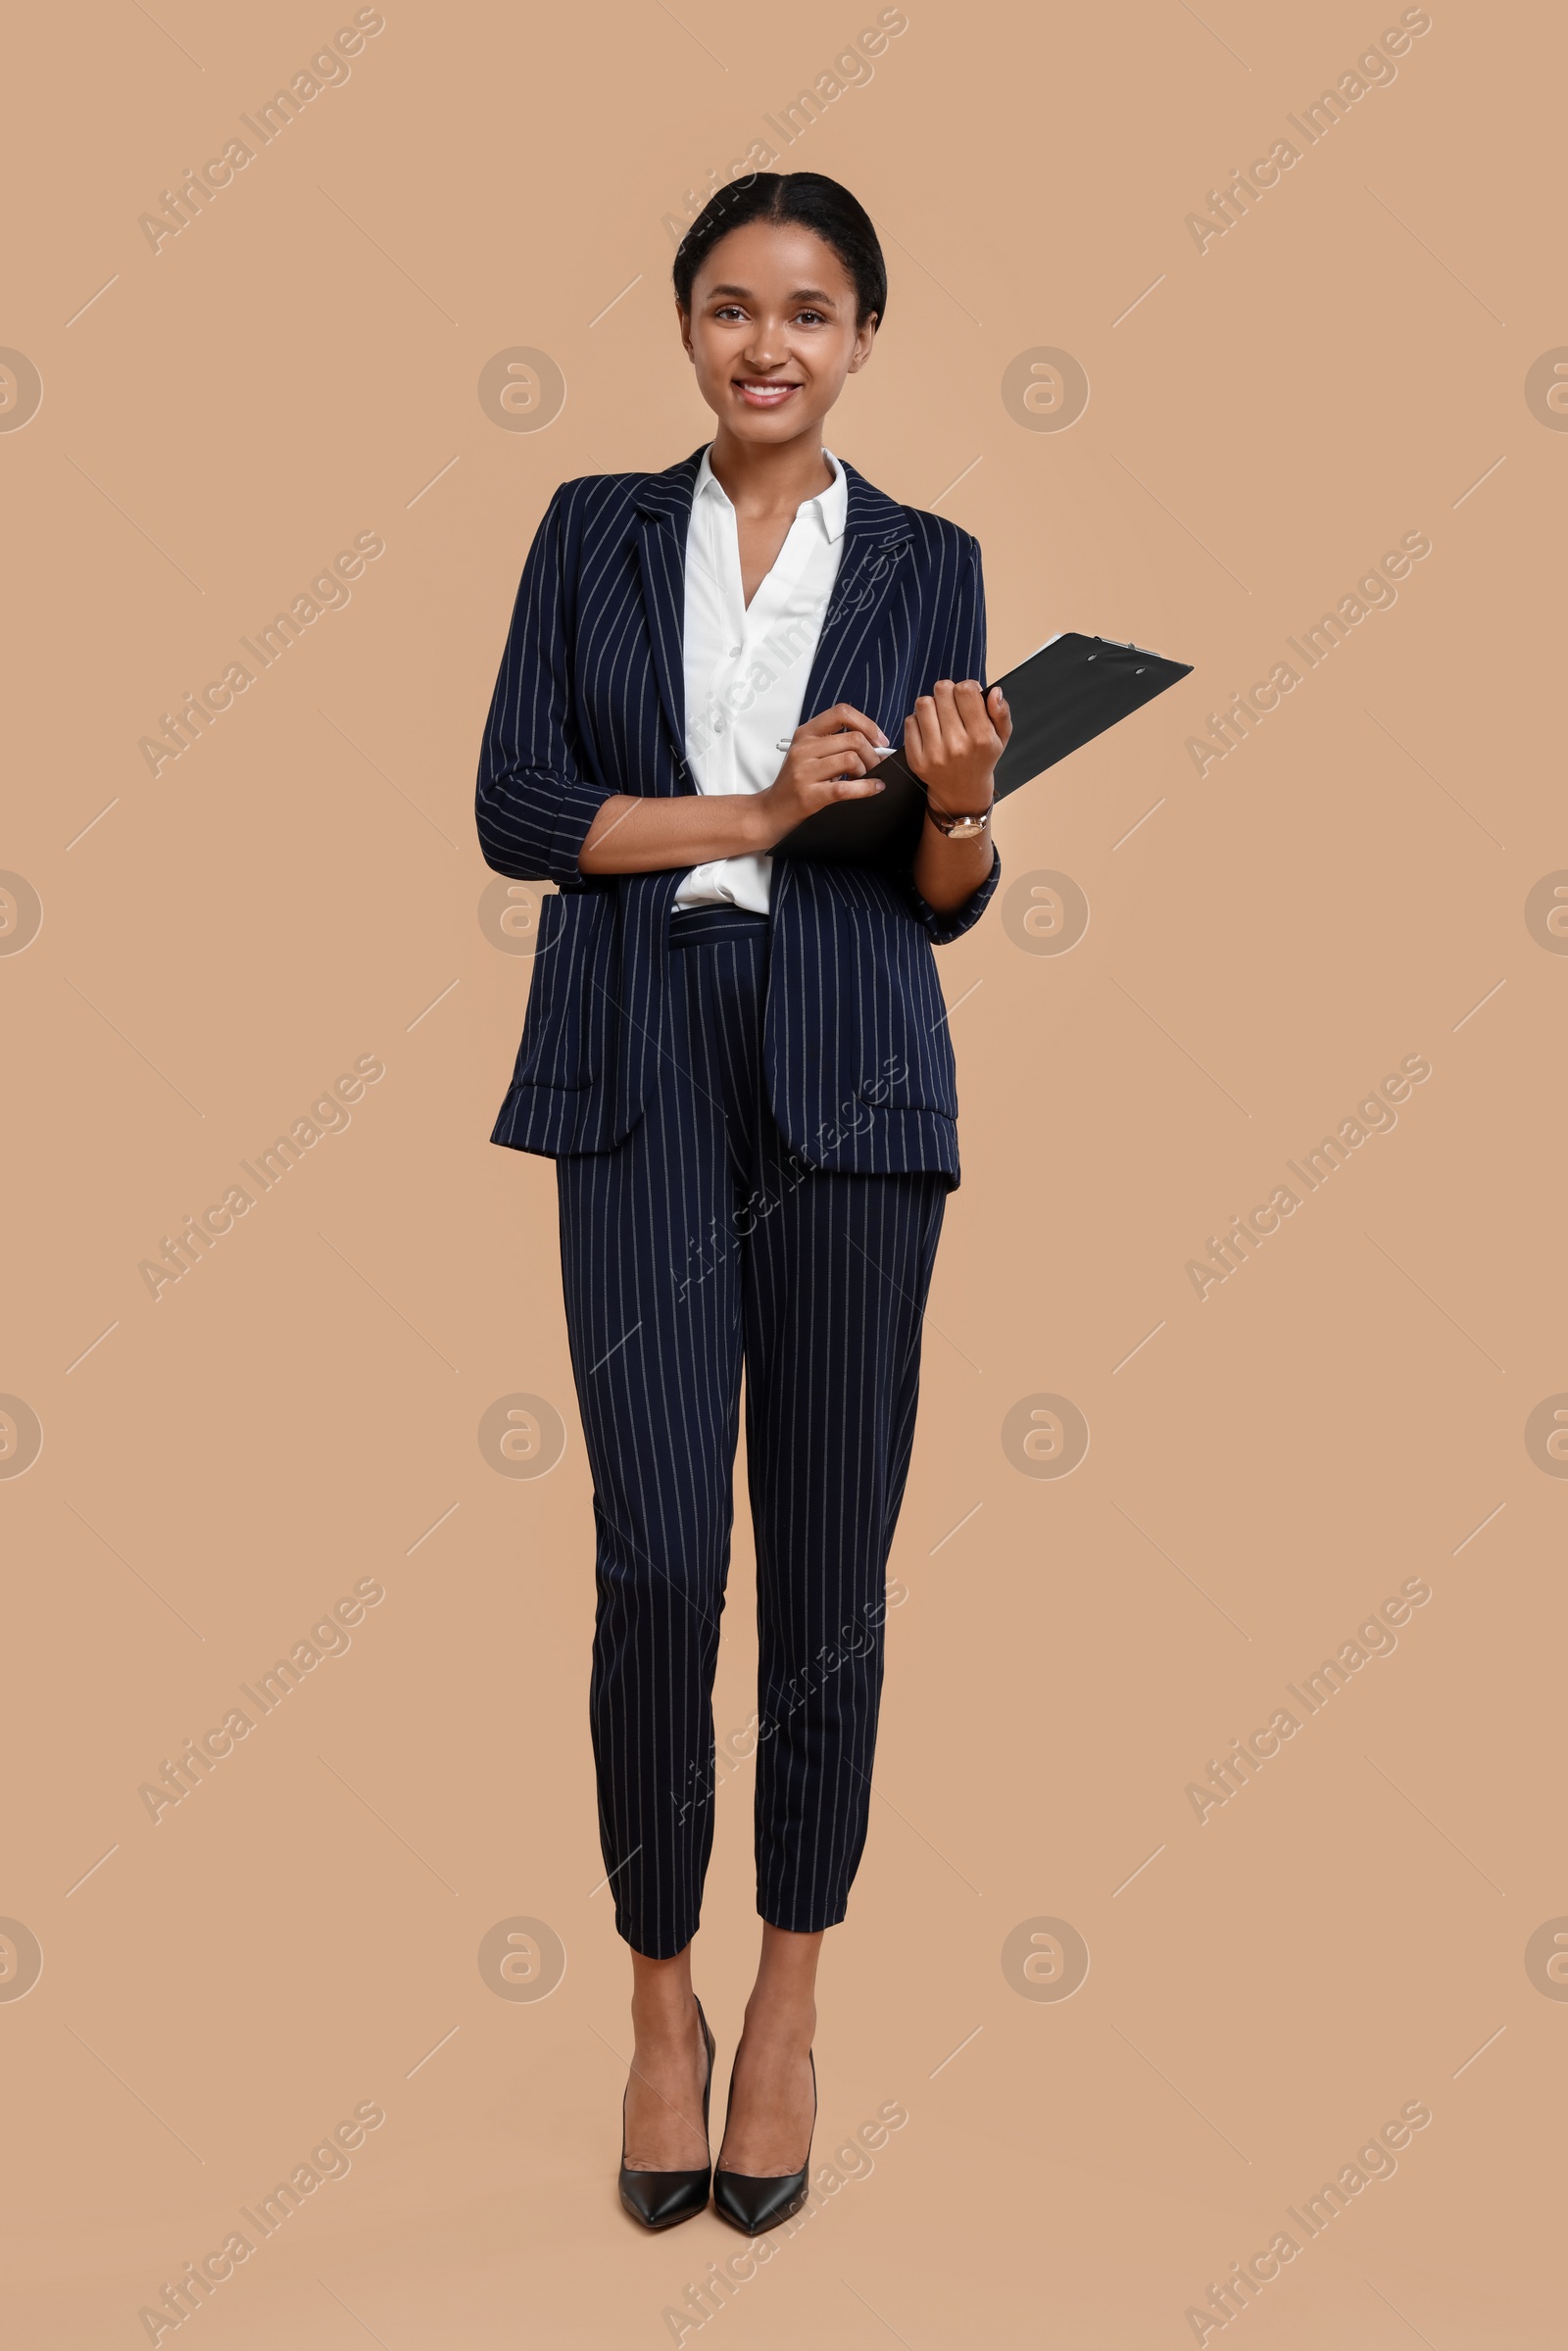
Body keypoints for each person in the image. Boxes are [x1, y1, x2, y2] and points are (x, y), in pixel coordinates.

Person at [475, 170, 1009, 2233]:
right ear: (685, 329)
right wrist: (758, 810)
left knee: (825, 1572)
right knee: (651, 1563)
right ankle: (654, 2002)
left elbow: (933, 896)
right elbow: (522, 806)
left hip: (855, 1066)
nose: (764, 341)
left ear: (863, 334)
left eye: (806, 309)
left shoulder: (931, 558)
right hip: (635, 1062)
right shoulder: (590, 534)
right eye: (726, 306)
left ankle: (787, 2003)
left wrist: (949, 809)